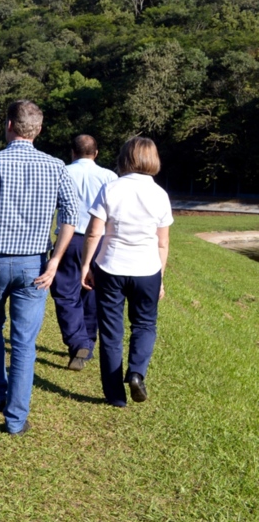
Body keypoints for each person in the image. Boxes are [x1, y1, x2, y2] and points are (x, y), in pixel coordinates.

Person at [0, 100, 78, 435]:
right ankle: (15, 419)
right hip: (34, 264)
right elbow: (71, 217)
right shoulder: (56, 167)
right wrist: (55, 261)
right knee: (23, 342)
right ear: (39, 128)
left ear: (8, 125)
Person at [80, 136, 172, 407]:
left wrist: (86, 265)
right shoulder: (160, 194)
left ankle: (115, 396)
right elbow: (163, 242)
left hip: (111, 266)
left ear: (124, 158)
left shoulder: (111, 189)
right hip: (147, 270)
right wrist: (161, 278)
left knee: (110, 331)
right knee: (144, 324)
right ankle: (136, 372)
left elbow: (94, 232)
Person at [51, 135, 117, 371]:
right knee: (91, 291)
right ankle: (88, 339)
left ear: (72, 152)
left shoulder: (62, 172)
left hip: (69, 239)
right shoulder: (110, 177)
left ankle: (78, 341)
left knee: (65, 292)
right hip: (99, 240)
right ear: (96, 153)